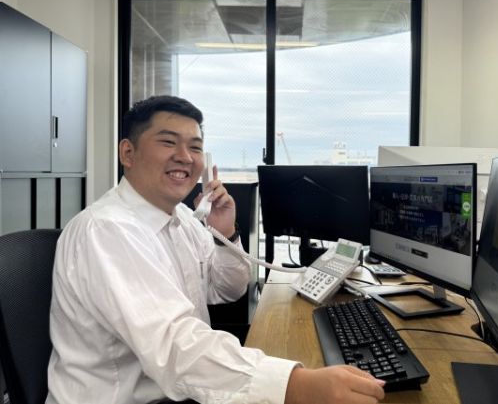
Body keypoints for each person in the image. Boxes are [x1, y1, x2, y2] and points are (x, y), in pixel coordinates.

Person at [46, 95, 386, 404]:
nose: (185, 157)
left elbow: (226, 289)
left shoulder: (181, 218)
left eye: (195, 147)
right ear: (128, 153)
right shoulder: (107, 230)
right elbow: (174, 345)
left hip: (178, 389)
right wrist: (293, 386)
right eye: (168, 142)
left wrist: (225, 233)